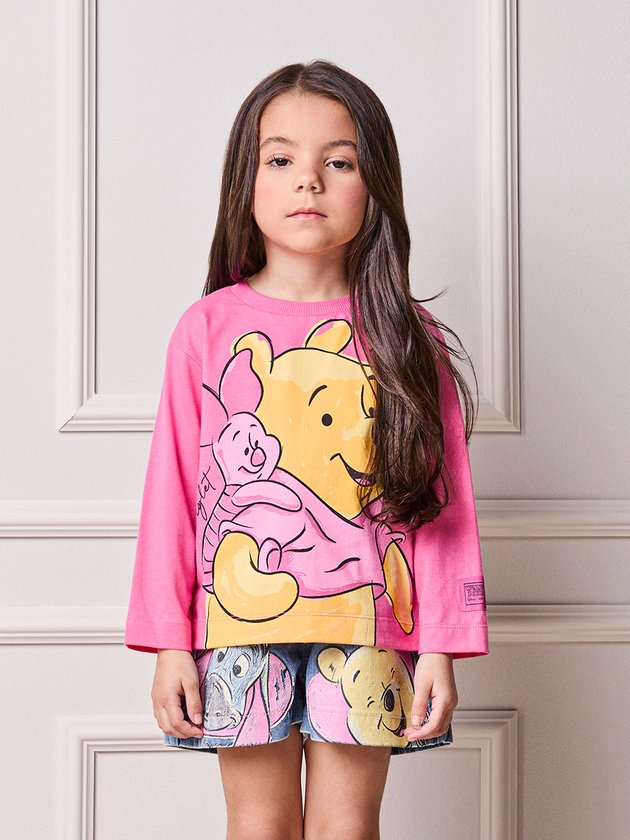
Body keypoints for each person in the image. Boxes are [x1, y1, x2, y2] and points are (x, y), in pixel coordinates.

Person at [125, 59, 489, 840]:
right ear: (245, 181)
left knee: (346, 829)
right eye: (281, 158)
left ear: (375, 183)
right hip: (235, 627)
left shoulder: (406, 337)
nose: (308, 182)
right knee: (258, 827)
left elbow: (439, 505)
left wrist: (441, 647)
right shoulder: (206, 330)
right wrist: (169, 641)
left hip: (369, 625)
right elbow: (172, 494)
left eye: (340, 162)